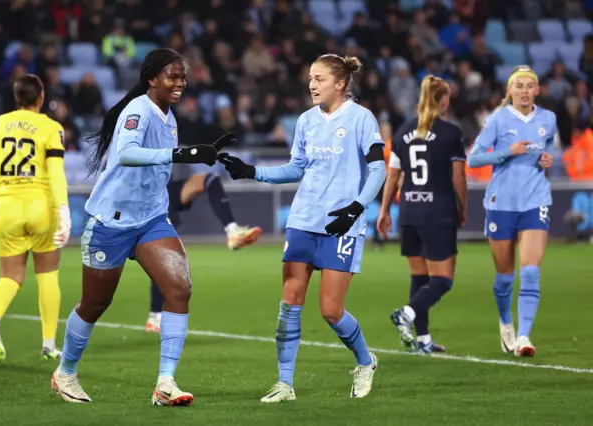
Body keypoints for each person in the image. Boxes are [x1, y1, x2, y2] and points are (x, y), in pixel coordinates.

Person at [50, 48, 233, 405]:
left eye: (183, 77)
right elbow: (127, 154)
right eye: (172, 76)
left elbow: (161, 162)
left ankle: (165, 384)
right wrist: (181, 154)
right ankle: (65, 372)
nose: (180, 83)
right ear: (152, 79)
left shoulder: (168, 115)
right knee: (94, 303)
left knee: (179, 288)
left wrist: (198, 153)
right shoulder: (138, 111)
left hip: (151, 219)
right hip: (112, 222)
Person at [219, 54, 386, 401]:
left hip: (342, 225)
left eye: (320, 78)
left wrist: (356, 209)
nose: (312, 84)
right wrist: (253, 171)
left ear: (340, 84)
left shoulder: (361, 119)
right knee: (289, 303)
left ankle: (365, 361)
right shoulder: (307, 120)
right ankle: (284, 384)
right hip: (304, 220)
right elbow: (295, 169)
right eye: (311, 77)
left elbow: (378, 170)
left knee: (330, 310)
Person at [467, 65, 555, 357]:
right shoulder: (497, 119)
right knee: (505, 275)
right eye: (519, 86)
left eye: (530, 86)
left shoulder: (549, 119)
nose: (524, 91)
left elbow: (546, 150)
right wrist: (508, 152)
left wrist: (544, 160)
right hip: (501, 204)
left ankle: (524, 336)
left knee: (530, 272)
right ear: (510, 90)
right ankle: (506, 321)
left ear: (537, 90)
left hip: (535, 201)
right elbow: (474, 159)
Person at [376, 76, 468, 354]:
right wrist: (462, 209)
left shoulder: (402, 132)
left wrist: (384, 211)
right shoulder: (451, 133)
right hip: (437, 210)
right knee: (443, 279)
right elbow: (459, 177)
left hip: (409, 211)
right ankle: (407, 312)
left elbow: (393, 176)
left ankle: (424, 340)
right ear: (443, 100)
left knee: (420, 276)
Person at [0, 74, 71, 363]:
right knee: (47, 274)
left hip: (7, 206)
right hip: (40, 206)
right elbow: (56, 172)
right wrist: (64, 209)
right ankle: (48, 344)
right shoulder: (51, 127)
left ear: (16, 97)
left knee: (10, 276)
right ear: (41, 97)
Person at [145, 172, 262, 332]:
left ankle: (232, 230)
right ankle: (155, 316)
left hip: (162, 187)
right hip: (141, 194)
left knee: (209, 180)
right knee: (161, 258)